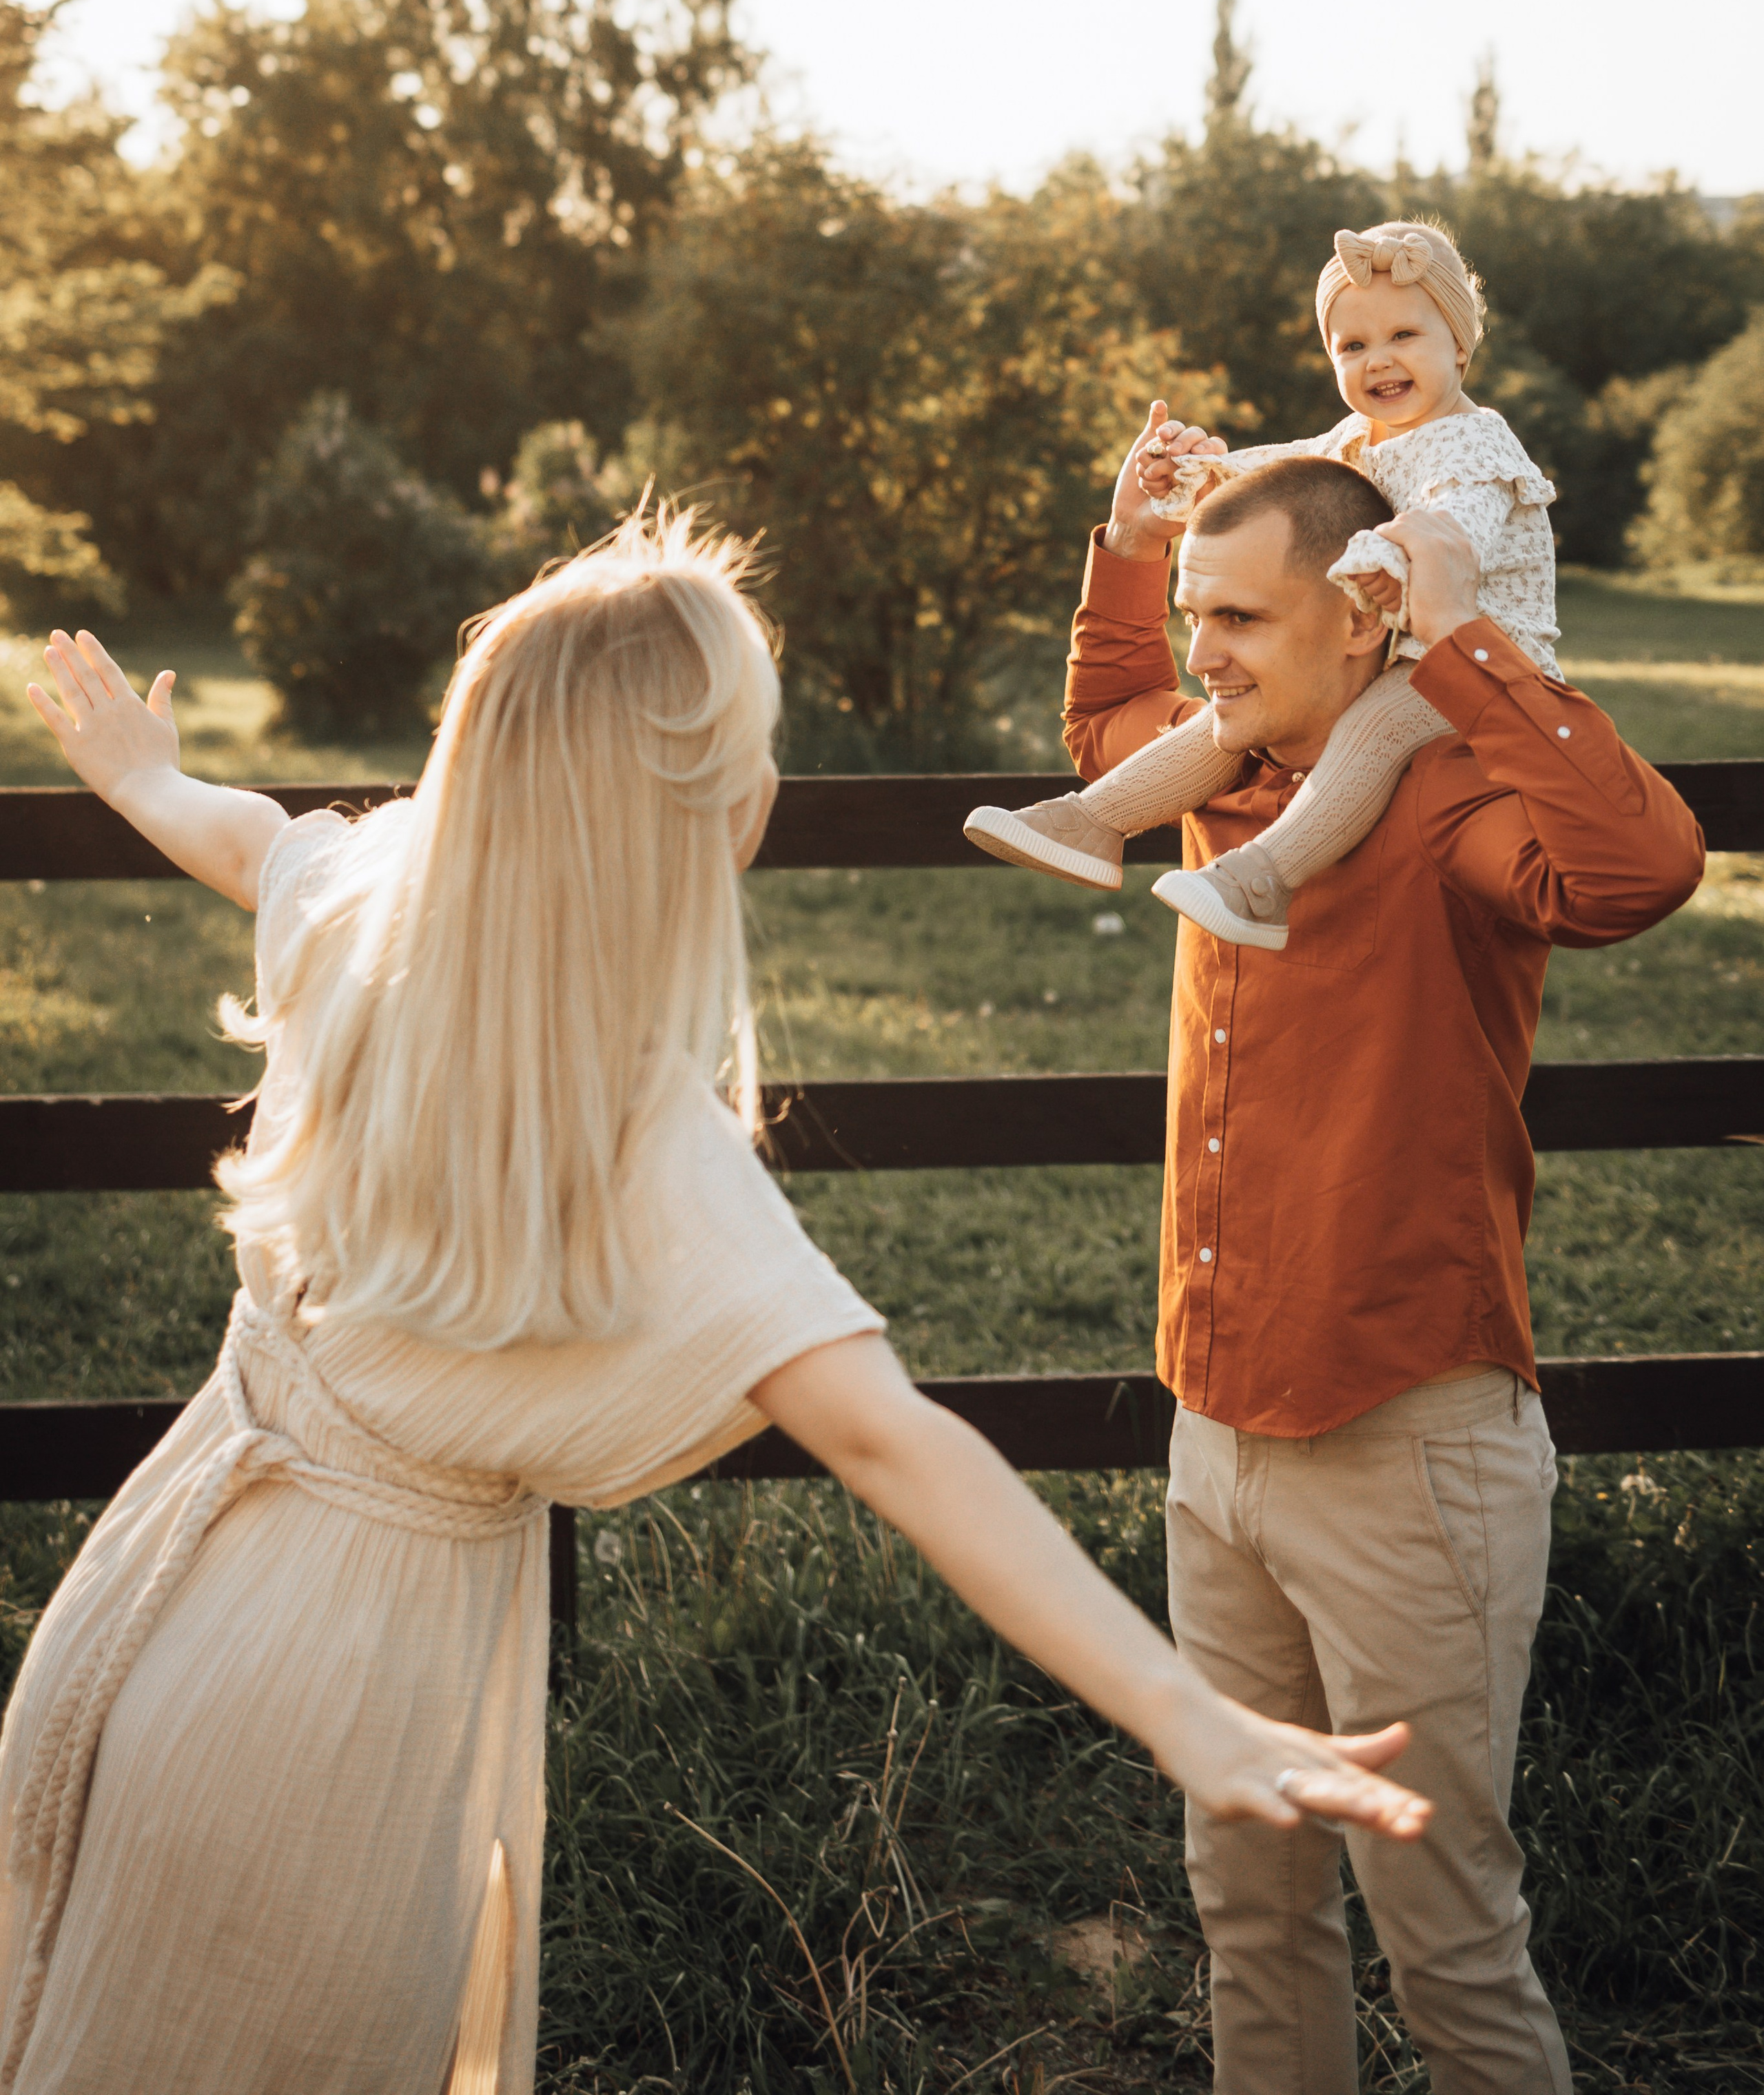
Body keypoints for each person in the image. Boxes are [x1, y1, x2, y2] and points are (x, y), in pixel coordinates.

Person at [0, 515, 1428, 2095]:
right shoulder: (640, 1137)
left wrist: (136, 771)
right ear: (701, 811)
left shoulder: (362, 907)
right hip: (340, 1707)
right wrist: (1182, 1711)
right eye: (755, 746)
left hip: (145, 1623)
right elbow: (896, 1443)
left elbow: (245, 833)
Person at [1036, 433, 1703, 2092]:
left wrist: (1466, 637)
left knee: (1447, 1942)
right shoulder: (1221, 770)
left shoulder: (1447, 805)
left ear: (1357, 618)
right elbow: (1103, 729)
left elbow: (1641, 870)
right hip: (1214, 1437)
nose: (1207, 651)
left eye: (1241, 618)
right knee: (1246, 1911)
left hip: (1407, 1449)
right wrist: (1127, 553)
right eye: (1198, 613)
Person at [965, 220, 1561, 951]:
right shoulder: (1354, 438)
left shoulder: (1473, 444)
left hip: (1471, 660)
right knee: (1236, 725)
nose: (1379, 361)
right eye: (1353, 345)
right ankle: (1090, 822)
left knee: (1371, 731)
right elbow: (1274, 474)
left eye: (1405, 335)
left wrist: (1388, 557)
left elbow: (1452, 529)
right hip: (1388, 645)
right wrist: (1191, 475)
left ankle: (1261, 881)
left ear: (1460, 345)